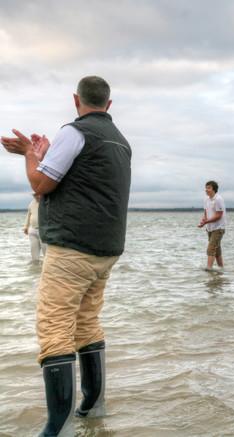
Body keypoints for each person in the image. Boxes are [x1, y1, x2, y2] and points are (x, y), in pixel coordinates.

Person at [2, 76, 131, 435]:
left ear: (76, 99)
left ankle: (58, 428)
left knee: (54, 328)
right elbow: (82, 182)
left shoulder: (74, 133)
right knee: (87, 322)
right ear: (109, 103)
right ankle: (93, 408)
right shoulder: (121, 142)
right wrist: (45, 155)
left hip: (72, 248)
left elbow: (42, 186)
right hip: (106, 248)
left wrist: (30, 156)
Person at [198, 180, 227, 270]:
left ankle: (208, 269)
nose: (206, 190)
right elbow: (206, 212)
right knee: (217, 250)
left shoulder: (218, 199)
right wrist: (204, 221)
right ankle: (221, 269)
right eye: (206, 188)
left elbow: (219, 215)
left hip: (219, 228)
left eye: (209, 188)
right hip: (210, 228)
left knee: (211, 249)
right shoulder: (206, 199)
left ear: (214, 189)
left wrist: (206, 222)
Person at [24, 193, 47, 262]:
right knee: (33, 252)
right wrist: (26, 226)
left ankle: (45, 268)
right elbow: (28, 215)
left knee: (45, 251)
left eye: (38, 194)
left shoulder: (47, 202)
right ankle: (35, 266)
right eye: (35, 195)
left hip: (44, 230)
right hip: (32, 230)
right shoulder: (31, 203)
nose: (37, 196)